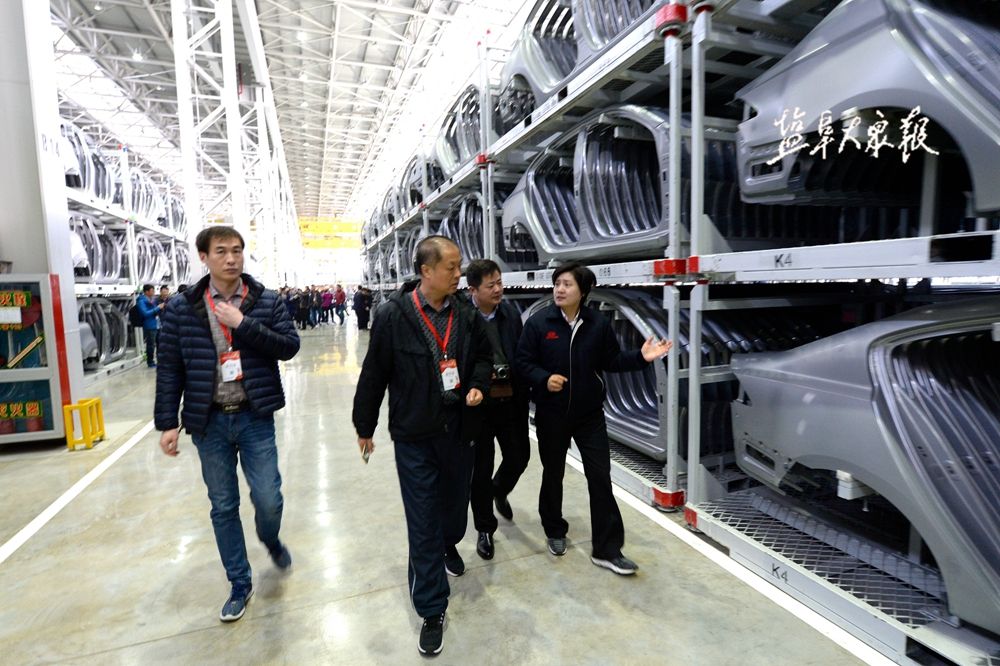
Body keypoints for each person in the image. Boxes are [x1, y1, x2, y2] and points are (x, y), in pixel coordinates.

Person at [352, 236, 492, 657]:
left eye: (459, 266)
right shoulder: (393, 315)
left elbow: (484, 357)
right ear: (426, 271)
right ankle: (432, 609)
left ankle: (449, 541)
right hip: (414, 435)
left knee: (453, 510)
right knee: (423, 520)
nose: (459, 274)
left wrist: (478, 385)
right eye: (451, 267)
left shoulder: (465, 313)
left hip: (458, 431)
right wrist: (364, 425)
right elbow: (374, 373)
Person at [155, 225, 301, 622]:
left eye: (237, 250)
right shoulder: (182, 307)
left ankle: (270, 538)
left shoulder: (264, 300)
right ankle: (239, 582)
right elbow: (170, 367)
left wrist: (242, 323)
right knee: (223, 505)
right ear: (204, 257)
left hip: (255, 416)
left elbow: (289, 346)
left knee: (268, 498)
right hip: (209, 422)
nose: (231, 258)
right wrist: (167, 422)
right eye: (221, 251)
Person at [515, 262, 670, 575]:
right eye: (557, 283)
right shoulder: (539, 323)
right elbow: (522, 362)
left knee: (600, 477)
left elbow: (611, 360)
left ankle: (607, 549)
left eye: (567, 284)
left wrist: (641, 357)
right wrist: (544, 378)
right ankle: (554, 529)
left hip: (589, 415)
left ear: (583, 291)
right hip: (552, 413)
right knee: (553, 473)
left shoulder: (597, 323)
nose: (559, 289)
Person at [465, 259, 530, 561]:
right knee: (480, 468)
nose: (498, 290)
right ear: (473, 289)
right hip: (478, 405)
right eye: (490, 285)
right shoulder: (463, 318)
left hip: (510, 400)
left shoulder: (509, 313)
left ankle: (499, 489)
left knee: (519, 456)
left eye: (500, 283)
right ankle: (484, 529)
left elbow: (521, 351)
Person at [136, 284, 162, 367]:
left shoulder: (152, 300)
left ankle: (160, 360)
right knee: (151, 345)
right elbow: (145, 314)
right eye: (152, 291)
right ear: (146, 292)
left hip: (157, 324)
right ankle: (150, 362)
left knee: (159, 343)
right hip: (149, 325)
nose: (153, 292)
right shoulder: (141, 301)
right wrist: (158, 308)